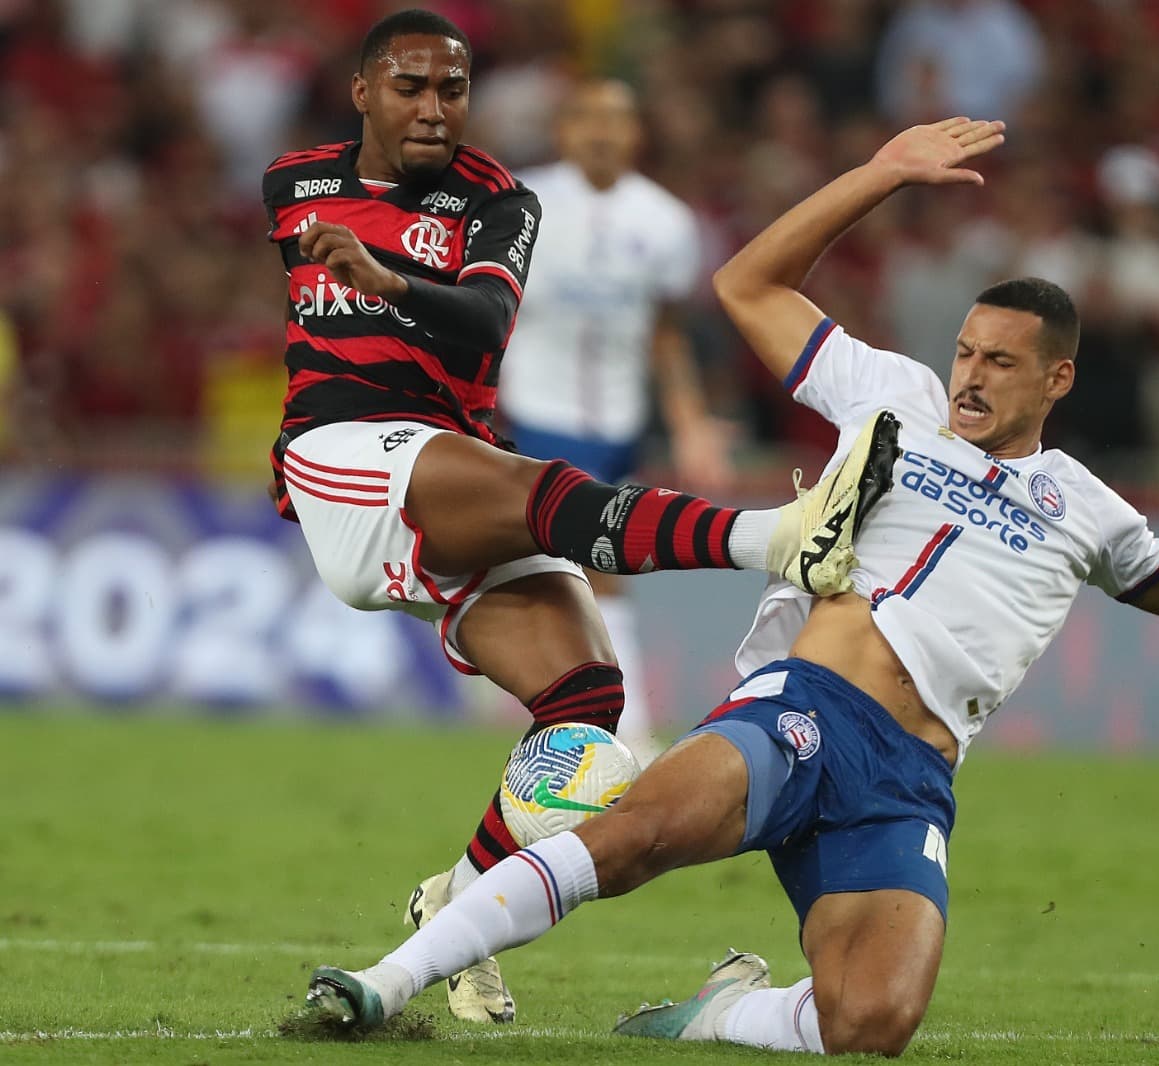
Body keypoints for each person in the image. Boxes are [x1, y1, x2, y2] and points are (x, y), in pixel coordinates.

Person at [301, 117, 1159, 1055]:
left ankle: (717, 1013)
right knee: (634, 836)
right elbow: (748, 289)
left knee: (869, 1024)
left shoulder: (1086, 507)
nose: (969, 377)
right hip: (803, 708)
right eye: (965, 352)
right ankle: (386, 980)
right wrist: (880, 173)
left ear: (1059, 378)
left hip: (911, 778)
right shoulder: (894, 399)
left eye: (999, 364)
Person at [264, 8, 895, 1027]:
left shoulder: (500, 203)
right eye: (412, 86)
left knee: (588, 706)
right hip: (346, 458)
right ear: (365, 90)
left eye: (453, 89)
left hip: (447, 464)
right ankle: (776, 538)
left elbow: (483, 322)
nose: (435, 107)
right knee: (536, 494)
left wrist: (389, 279)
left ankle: (450, 908)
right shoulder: (293, 184)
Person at [497, 78, 733, 758]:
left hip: (618, 418)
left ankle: (582, 724)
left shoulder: (666, 223)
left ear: (637, 135)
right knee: (589, 565)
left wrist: (689, 421)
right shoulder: (522, 203)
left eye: (616, 120)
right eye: (587, 119)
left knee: (592, 565)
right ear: (564, 130)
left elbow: (665, 332)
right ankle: (619, 732)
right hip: (536, 407)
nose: (601, 132)